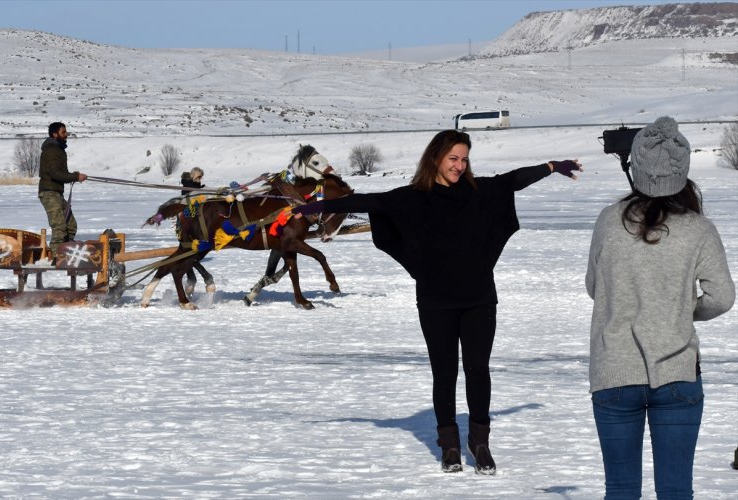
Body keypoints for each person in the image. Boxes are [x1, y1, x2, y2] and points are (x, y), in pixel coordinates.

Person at [292, 129, 582, 474]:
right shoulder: (412, 198)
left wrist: (551, 166)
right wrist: (319, 205)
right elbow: (368, 202)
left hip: (478, 298)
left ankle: (480, 442)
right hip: (434, 300)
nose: (459, 166)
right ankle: (450, 445)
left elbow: (512, 181)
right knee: (443, 372)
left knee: (478, 370)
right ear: (436, 159)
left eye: (463, 159)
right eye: (452, 158)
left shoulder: (480, 191)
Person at [585, 117, 735, 498]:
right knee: (675, 489)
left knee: (620, 489)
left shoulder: (608, 221)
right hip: (677, 374)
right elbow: (722, 297)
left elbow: (595, 287)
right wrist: (679, 311)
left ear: (636, 169)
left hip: (615, 373)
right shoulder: (698, 228)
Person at [38, 122, 87, 258]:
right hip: (49, 193)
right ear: (55, 134)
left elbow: (59, 173)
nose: (66, 135)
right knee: (59, 226)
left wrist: (73, 175)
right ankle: (56, 258)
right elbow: (55, 173)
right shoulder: (52, 150)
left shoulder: (58, 149)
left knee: (71, 225)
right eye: (63, 132)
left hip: (56, 193)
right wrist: (76, 177)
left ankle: (67, 252)